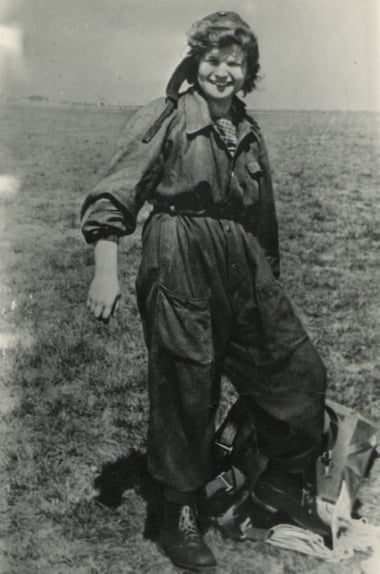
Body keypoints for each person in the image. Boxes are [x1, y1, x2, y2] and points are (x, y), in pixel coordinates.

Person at [81, 11, 327, 572]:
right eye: (212, 59)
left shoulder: (247, 128)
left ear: (248, 73)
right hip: (179, 254)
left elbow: (262, 219)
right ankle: (180, 512)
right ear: (196, 62)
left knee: (298, 374)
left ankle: (271, 489)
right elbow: (115, 192)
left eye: (234, 63)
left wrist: (265, 281)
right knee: (186, 386)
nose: (222, 71)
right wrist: (105, 268)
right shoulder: (167, 116)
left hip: (242, 266)